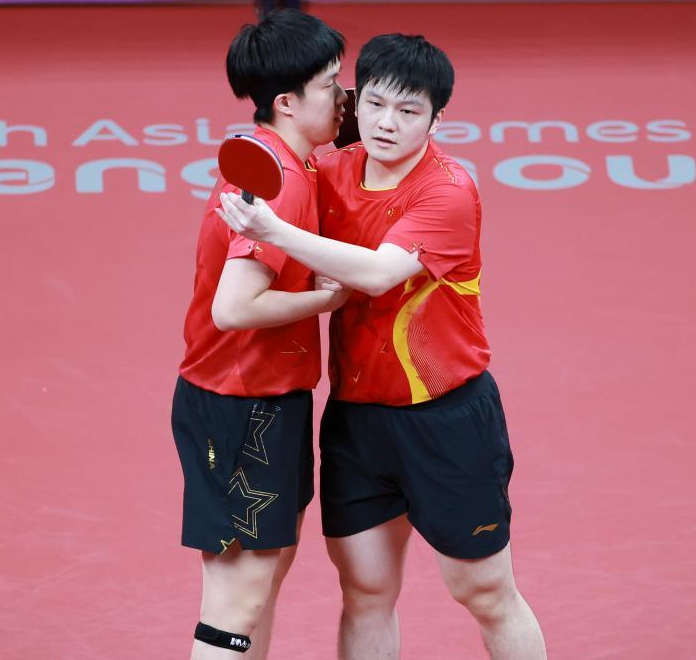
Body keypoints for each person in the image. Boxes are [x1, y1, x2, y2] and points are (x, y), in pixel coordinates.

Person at [216, 33, 547, 659]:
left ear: (437, 119)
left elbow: (376, 274)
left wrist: (272, 230)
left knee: (484, 591)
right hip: (358, 421)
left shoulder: (447, 190)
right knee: (365, 590)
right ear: (353, 100)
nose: (387, 123)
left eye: (409, 110)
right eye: (375, 104)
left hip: (446, 420)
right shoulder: (330, 172)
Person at [171, 9, 348, 659]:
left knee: (262, 584)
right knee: (237, 600)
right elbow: (233, 308)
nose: (344, 97)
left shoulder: (287, 159)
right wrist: (329, 297)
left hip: (271, 398)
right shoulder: (276, 183)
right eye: (331, 85)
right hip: (240, 404)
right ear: (286, 102)